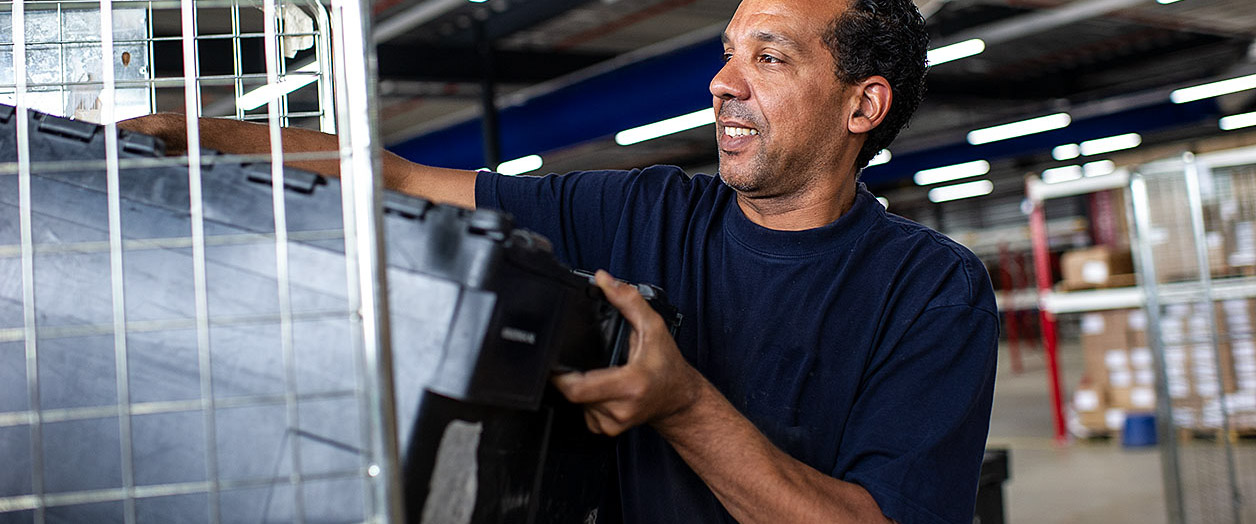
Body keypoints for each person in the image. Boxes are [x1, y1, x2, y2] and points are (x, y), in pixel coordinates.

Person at [122, 0, 998, 522]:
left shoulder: (930, 292)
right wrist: (186, 135)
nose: (724, 82)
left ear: (862, 104)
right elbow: (391, 179)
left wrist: (682, 402)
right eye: (728, 53)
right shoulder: (645, 208)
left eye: (768, 57)